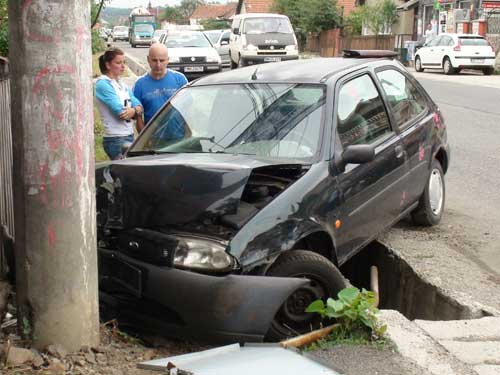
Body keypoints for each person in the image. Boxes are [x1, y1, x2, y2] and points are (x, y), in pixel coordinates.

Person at [95, 48, 143, 160]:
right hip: (115, 138)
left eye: (124, 62)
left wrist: (135, 110)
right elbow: (121, 113)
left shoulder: (122, 84)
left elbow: (138, 104)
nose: (123, 66)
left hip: (129, 135)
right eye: (118, 63)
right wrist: (135, 111)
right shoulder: (103, 84)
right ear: (107, 65)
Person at [133, 43, 188, 132]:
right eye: (154, 60)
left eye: (162, 60)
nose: (158, 65)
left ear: (168, 60)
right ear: (148, 59)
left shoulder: (180, 79)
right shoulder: (139, 84)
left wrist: (188, 135)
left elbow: (188, 110)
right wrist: (144, 142)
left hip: (179, 140)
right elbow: (138, 117)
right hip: (153, 141)